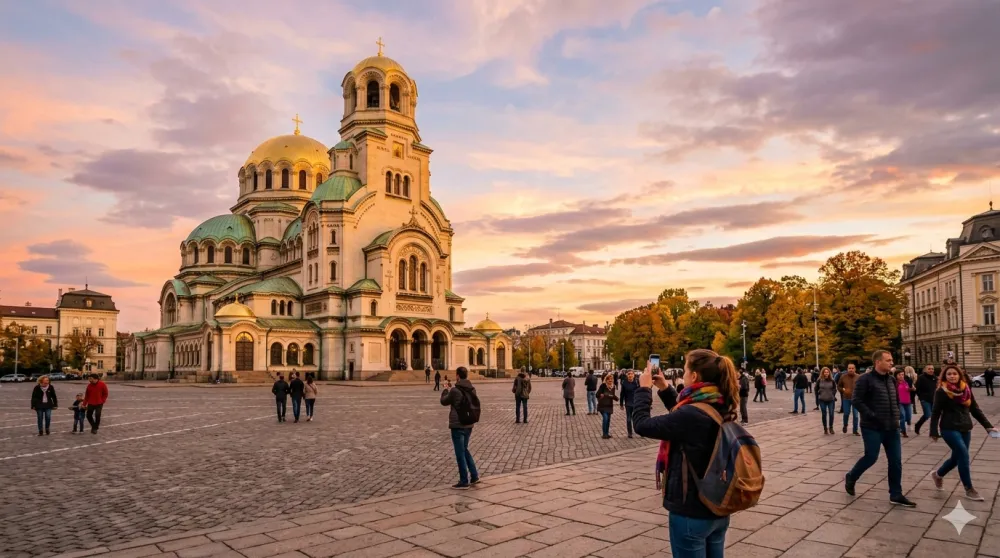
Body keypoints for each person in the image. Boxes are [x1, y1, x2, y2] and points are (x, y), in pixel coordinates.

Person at [633, 349, 738, 557]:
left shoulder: (691, 414)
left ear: (694, 376)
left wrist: (644, 390)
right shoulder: (719, 403)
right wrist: (664, 388)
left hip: (691, 510)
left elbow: (642, 424)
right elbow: (685, 417)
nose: (683, 374)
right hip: (717, 506)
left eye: (685, 370)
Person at [845, 350, 915, 507]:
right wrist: (871, 414)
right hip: (872, 427)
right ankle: (851, 476)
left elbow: (895, 399)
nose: (891, 363)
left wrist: (897, 414)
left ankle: (896, 494)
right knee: (871, 457)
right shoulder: (865, 380)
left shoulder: (891, 380)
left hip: (891, 427)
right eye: (888, 360)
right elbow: (856, 401)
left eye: (891, 360)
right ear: (878, 362)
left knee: (896, 461)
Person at [929, 364, 998, 501]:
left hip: (965, 427)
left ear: (959, 375)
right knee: (963, 455)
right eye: (949, 374)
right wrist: (933, 431)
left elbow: (975, 409)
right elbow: (936, 412)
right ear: (945, 376)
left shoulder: (966, 388)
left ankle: (938, 474)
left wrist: (988, 426)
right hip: (949, 428)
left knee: (956, 458)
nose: (952, 376)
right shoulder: (941, 391)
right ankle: (969, 489)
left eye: (955, 374)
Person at [440, 367, 480, 489]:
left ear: (457, 376)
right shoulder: (472, 389)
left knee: (460, 453)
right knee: (465, 449)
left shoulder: (455, 391)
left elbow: (444, 401)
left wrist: (446, 390)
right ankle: (474, 476)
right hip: (469, 423)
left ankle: (464, 480)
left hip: (458, 425)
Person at [913, 365, 938, 435]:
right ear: (925, 370)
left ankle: (933, 432)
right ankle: (917, 425)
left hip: (934, 399)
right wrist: (921, 397)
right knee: (927, 414)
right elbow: (916, 388)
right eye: (929, 369)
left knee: (934, 416)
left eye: (932, 369)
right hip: (925, 399)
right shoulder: (921, 378)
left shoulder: (935, 378)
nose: (931, 370)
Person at [838, 364, 860, 435]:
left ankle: (855, 430)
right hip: (846, 398)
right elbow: (839, 386)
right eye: (849, 368)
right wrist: (843, 390)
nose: (851, 369)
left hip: (856, 399)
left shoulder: (858, 377)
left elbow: (862, 387)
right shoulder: (843, 377)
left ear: (855, 369)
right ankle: (845, 425)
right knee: (846, 413)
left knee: (856, 415)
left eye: (852, 368)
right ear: (847, 369)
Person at [596, 372, 619, 438]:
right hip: (602, 405)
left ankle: (607, 433)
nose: (610, 380)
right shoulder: (603, 386)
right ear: (606, 380)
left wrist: (616, 398)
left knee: (608, 420)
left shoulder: (613, 387)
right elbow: (597, 394)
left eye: (611, 379)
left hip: (609, 405)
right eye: (609, 379)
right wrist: (601, 395)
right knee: (605, 418)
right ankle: (604, 434)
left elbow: (612, 395)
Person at [619, 370, 640, 438]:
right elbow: (622, 394)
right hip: (628, 403)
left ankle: (640, 431)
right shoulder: (624, 383)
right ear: (627, 375)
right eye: (629, 374)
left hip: (636, 403)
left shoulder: (637, 383)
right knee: (628, 419)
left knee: (637, 418)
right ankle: (630, 433)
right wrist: (621, 404)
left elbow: (640, 392)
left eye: (631, 374)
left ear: (634, 375)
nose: (630, 375)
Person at [816, 367, 837, 435]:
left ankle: (831, 427)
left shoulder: (832, 380)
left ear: (829, 373)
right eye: (825, 372)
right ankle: (825, 428)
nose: (826, 373)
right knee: (824, 414)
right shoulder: (819, 380)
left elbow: (834, 388)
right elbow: (816, 389)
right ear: (822, 373)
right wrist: (819, 395)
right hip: (822, 399)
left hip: (830, 399)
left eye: (827, 372)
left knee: (831, 414)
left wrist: (833, 394)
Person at [896, 369, 914, 437]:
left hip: (907, 402)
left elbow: (907, 389)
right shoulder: (896, 383)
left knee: (909, 416)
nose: (901, 376)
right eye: (899, 375)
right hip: (900, 402)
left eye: (902, 374)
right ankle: (903, 431)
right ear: (896, 375)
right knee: (902, 416)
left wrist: (912, 389)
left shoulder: (905, 382)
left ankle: (902, 427)